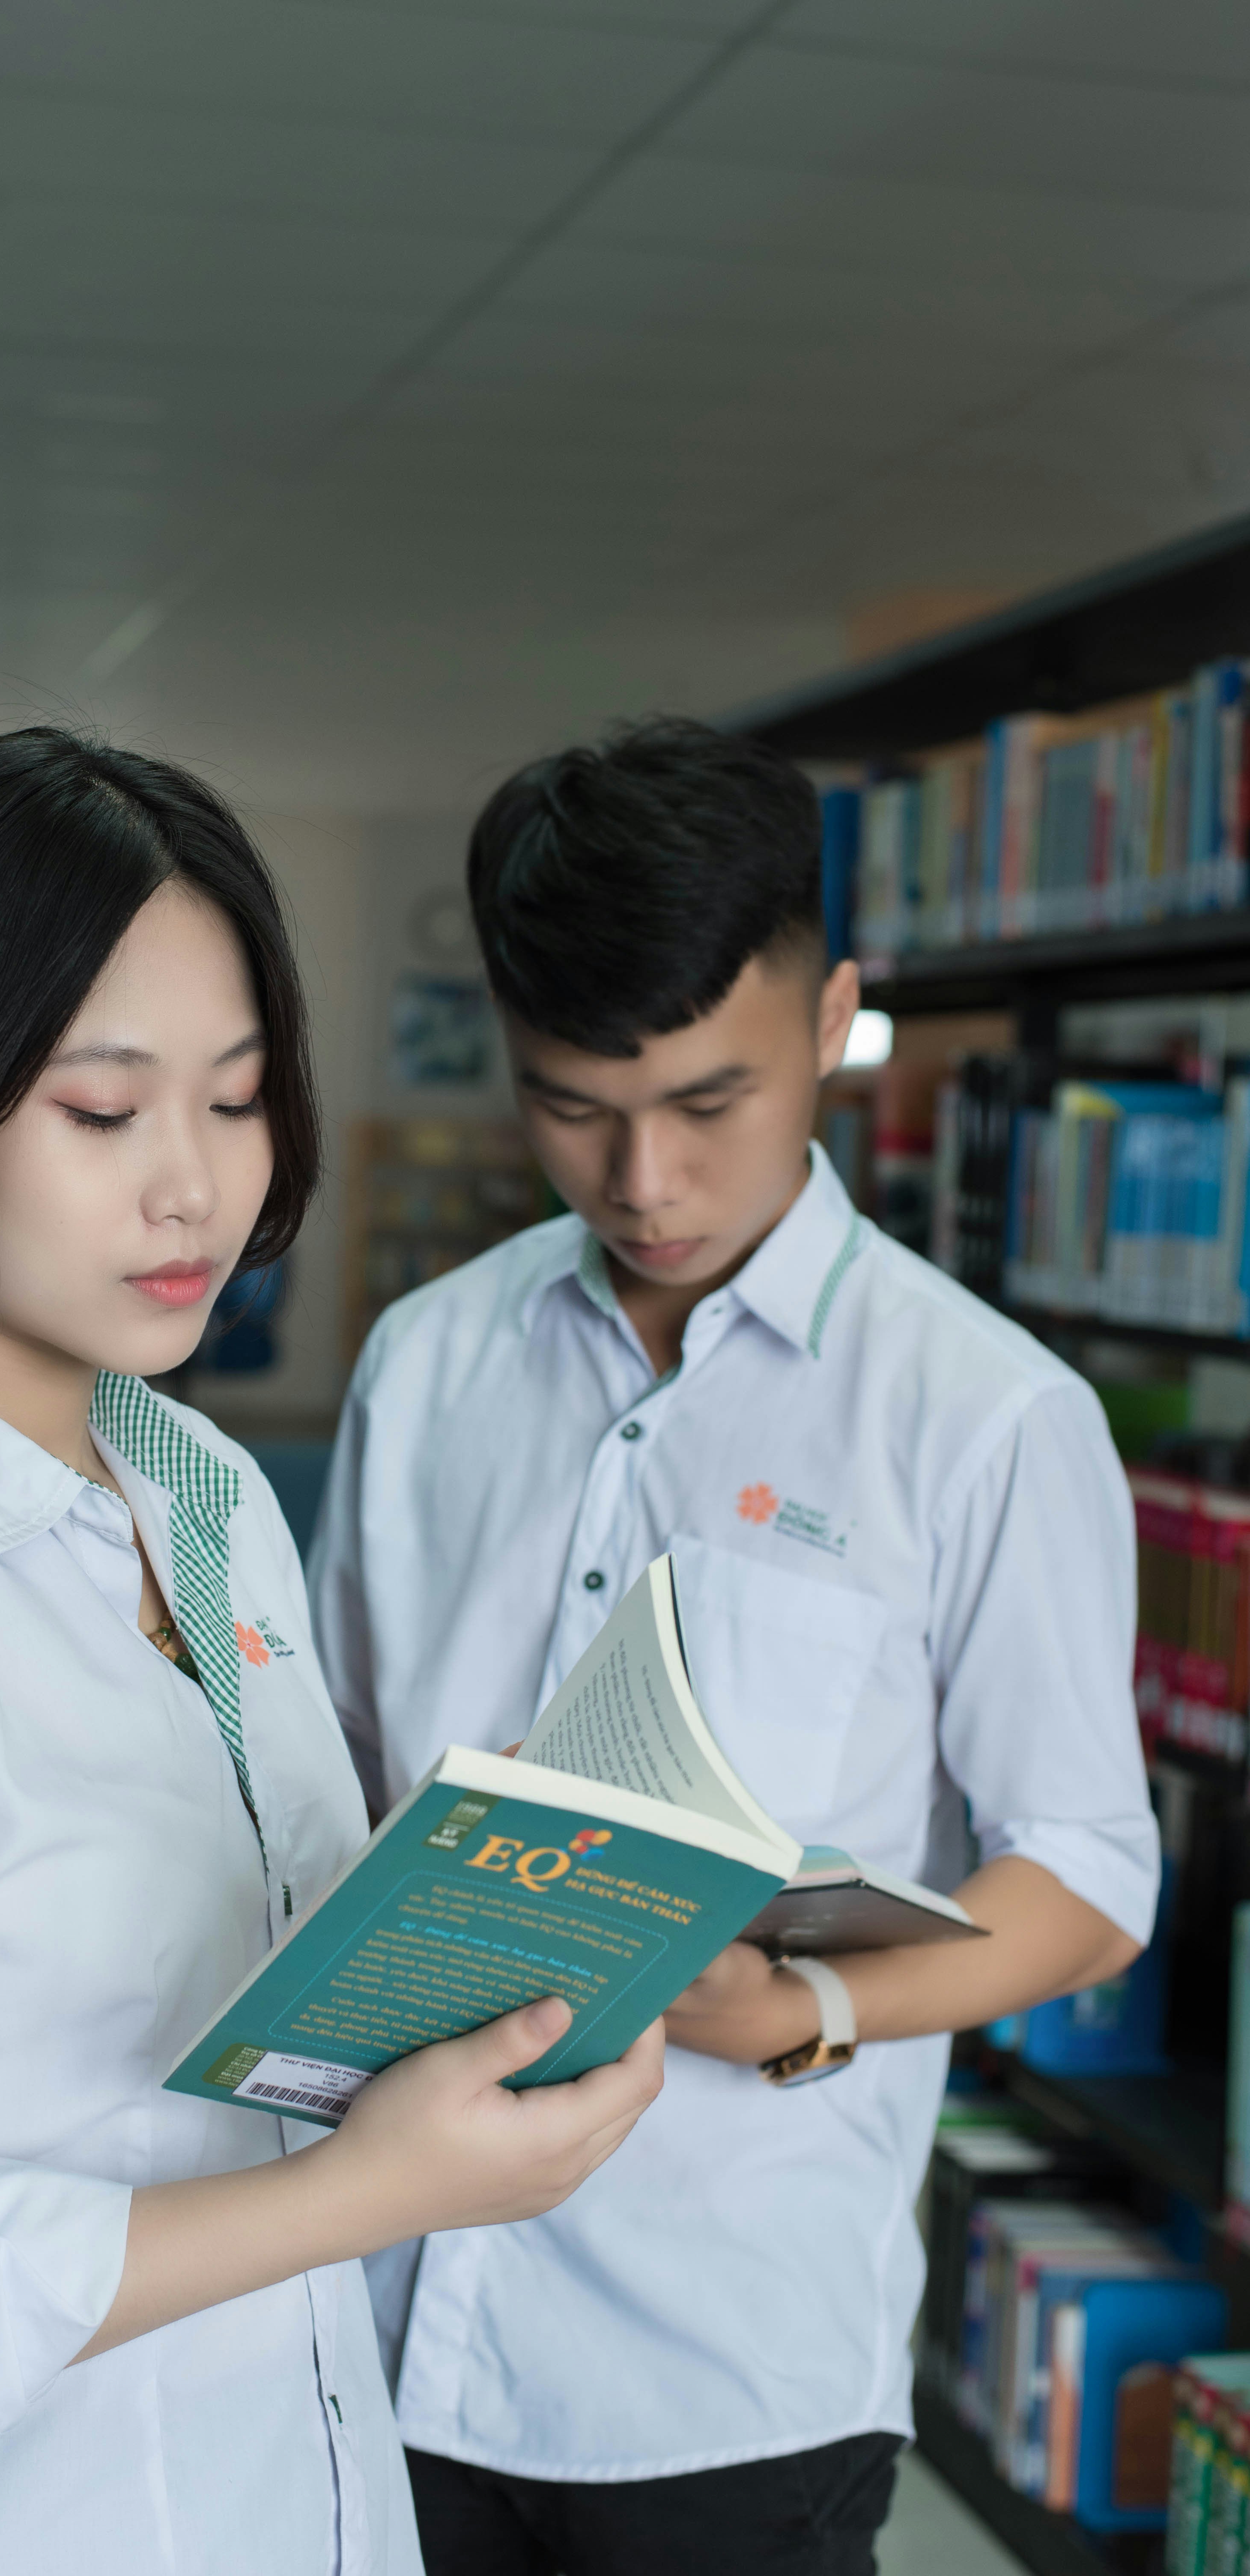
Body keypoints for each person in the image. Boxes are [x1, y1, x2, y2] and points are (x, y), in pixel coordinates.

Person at [0, 727, 665, 2576]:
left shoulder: (194, 1481)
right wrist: (366, 2192)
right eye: (102, 1114)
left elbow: (219, 2045)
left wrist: (501, 1979)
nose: (193, 1189)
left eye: (240, 1096)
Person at [308, 717, 1160, 2576]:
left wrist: (807, 2010)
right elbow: (338, 1777)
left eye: (708, 1102)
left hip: (717, 2373)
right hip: (364, 2312)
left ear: (837, 1021)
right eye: (568, 1105)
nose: (642, 1182)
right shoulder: (427, 1359)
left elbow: (1088, 1876)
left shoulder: (978, 1416)